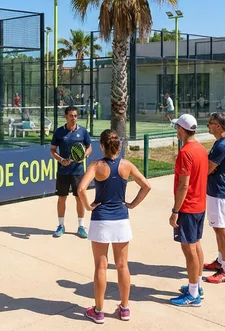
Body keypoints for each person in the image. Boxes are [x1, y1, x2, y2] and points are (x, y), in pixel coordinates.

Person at [78, 129, 151, 324]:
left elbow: (81, 188)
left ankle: (99, 311)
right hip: (121, 219)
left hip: (101, 219)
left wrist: (88, 206)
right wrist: (132, 204)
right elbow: (146, 185)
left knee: (100, 266)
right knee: (122, 265)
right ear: (118, 145)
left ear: (102, 145)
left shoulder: (96, 166)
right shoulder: (126, 165)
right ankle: (125, 308)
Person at [169, 114, 208, 307]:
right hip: (199, 206)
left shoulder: (185, 152)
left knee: (189, 249)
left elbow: (183, 185)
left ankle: (193, 294)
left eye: (177, 128)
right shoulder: (201, 148)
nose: (176, 131)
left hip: (188, 208)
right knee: (196, 245)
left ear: (181, 130)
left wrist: (175, 210)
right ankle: (197, 285)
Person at [203, 112, 225, 284]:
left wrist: (208, 167)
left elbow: (207, 168)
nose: (208, 125)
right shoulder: (220, 143)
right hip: (215, 191)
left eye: (210, 123)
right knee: (217, 228)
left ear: (218, 126)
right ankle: (220, 261)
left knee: (222, 230)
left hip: (220, 193)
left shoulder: (223, 145)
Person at [50, 106, 92, 238]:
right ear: (65, 117)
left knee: (79, 198)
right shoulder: (59, 132)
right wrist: (61, 159)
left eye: (75, 116)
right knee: (62, 198)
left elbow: (89, 147)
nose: (73, 118)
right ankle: (61, 225)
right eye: (71, 116)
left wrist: (84, 155)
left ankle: (81, 226)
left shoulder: (83, 131)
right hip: (63, 172)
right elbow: (52, 150)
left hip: (78, 172)